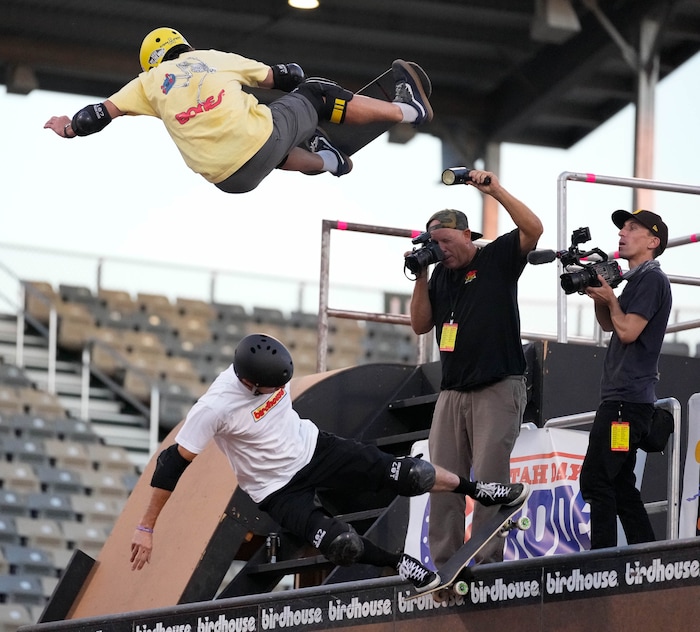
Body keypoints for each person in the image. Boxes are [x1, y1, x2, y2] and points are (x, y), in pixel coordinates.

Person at [129, 333, 530, 592]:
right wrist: (146, 527)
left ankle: (479, 489)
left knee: (415, 473)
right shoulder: (215, 408)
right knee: (343, 546)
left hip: (317, 449)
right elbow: (170, 465)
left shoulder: (270, 370)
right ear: (250, 384)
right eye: (271, 388)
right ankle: (401, 564)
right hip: (276, 491)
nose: (278, 390)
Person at [44, 27, 433, 193]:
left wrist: (67, 129)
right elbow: (285, 76)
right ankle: (407, 110)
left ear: (152, 61)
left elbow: (94, 116)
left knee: (267, 143)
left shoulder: (146, 84)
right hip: (258, 138)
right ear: (184, 46)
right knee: (314, 92)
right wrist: (301, 88)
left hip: (230, 180)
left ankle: (330, 161)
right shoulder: (211, 57)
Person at [408, 170, 543, 568]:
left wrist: (495, 190)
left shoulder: (496, 257)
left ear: (467, 235)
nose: (441, 250)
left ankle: (486, 559)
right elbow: (419, 324)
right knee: (441, 478)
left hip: (497, 386)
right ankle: (446, 563)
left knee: (489, 477)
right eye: (434, 244)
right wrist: (421, 275)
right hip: (452, 392)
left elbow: (533, 228)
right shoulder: (439, 276)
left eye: (446, 242)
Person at [579, 209, 672, 550]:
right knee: (619, 484)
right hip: (627, 401)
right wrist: (599, 294)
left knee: (596, 480)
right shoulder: (637, 280)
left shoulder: (650, 279)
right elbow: (610, 325)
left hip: (625, 402)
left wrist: (611, 299)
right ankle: (645, 555)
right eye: (622, 227)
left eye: (633, 228)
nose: (623, 232)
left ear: (652, 241)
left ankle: (600, 561)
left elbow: (628, 330)